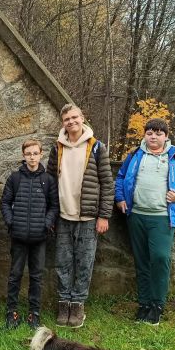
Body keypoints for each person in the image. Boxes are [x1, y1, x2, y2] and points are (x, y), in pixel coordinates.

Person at [115, 118, 175, 326]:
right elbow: (121, 177)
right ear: (145, 135)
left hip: (162, 217)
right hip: (136, 215)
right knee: (141, 261)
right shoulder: (135, 154)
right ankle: (144, 304)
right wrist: (120, 198)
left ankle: (157, 304)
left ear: (166, 136)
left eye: (158, 133)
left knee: (160, 258)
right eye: (150, 133)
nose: (153, 137)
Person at [46, 104, 114, 329]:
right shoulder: (57, 148)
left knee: (84, 263)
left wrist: (104, 215)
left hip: (88, 217)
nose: (71, 121)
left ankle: (78, 304)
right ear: (62, 122)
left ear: (82, 118)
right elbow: (49, 182)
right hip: (63, 216)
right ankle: (64, 302)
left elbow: (107, 183)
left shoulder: (96, 147)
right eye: (67, 119)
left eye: (75, 117)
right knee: (63, 262)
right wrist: (50, 214)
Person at [0, 139, 58, 330]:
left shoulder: (48, 180)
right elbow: (5, 203)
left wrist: (46, 224)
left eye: (35, 153)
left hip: (39, 238)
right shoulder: (15, 178)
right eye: (28, 154)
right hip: (18, 237)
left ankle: (34, 312)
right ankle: (12, 311)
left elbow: (54, 206)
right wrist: (11, 221)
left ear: (41, 154)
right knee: (15, 274)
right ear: (23, 156)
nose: (32, 157)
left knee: (36, 276)